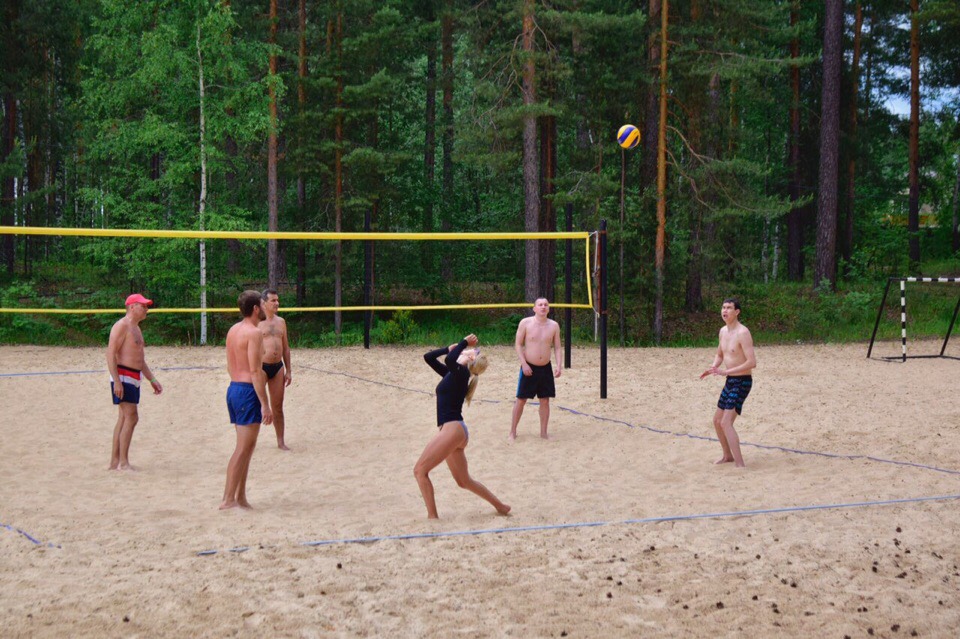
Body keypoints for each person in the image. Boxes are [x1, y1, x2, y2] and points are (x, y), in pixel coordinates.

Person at [414, 334, 511, 519]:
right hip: (455, 431)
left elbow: (450, 359)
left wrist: (464, 342)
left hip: (453, 429)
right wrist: (447, 348)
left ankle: (432, 518)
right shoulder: (453, 374)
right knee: (464, 481)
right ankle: (501, 506)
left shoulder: (463, 373)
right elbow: (428, 358)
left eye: (469, 351)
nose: (465, 350)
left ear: (471, 357)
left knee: (420, 471)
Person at [221, 290, 273, 510]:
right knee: (242, 449)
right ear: (255, 308)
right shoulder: (254, 333)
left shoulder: (233, 330)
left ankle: (240, 497)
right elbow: (255, 371)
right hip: (247, 390)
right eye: (262, 304)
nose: (265, 308)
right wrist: (265, 404)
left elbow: (229, 365)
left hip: (234, 388)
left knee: (247, 448)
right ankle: (228, 499)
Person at [106, 293, 163, 470]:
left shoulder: (136, 328)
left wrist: (151, 378)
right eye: (143, 306)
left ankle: (115, 462)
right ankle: (123, 463)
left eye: (147, 306)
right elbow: (110, 354)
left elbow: (139, 359)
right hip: (123, 374)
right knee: (132, 417)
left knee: (124, 417)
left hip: (133, 376)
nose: (146, 309)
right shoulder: (121, 326)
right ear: (132, 307)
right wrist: (117, 381)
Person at [699, 298, 756, 468]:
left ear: (737, 312)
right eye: (723, 307)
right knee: (717, 421)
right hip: (730, 380)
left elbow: (752, 362)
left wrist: (726, 371)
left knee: (726, 422)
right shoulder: (722, 331)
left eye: (729, 308)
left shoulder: (743, 333)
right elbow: (720, 354)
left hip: (742, 381)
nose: (725, 310)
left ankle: (740, 464)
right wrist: (713, 367)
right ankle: (727, 456)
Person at [509, 297, 562, 440]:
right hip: (529, 366)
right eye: (540, 305)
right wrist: (524, 364)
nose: (543, 307)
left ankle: (543, 433)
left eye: (546, 305)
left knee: (545, 400)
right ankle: (513, 432)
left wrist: (559, 365)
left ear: (548, 308)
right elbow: (518, 344)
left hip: (545, 367)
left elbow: (557, 347)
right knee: (521, 399)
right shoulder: (525, 323)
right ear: (534, 308)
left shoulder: (554, 325)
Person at [259, 289, 292, 450]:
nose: (277, 303)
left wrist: (289, 370)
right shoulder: (257, 323)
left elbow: (286, 348)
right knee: (253, 404)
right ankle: (246, 440)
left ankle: (280, 441)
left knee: (278, 407)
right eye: (273, 300)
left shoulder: (281, 322)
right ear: (264, 303)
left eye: (277, 300)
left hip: (278, 367)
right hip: (261, 367)